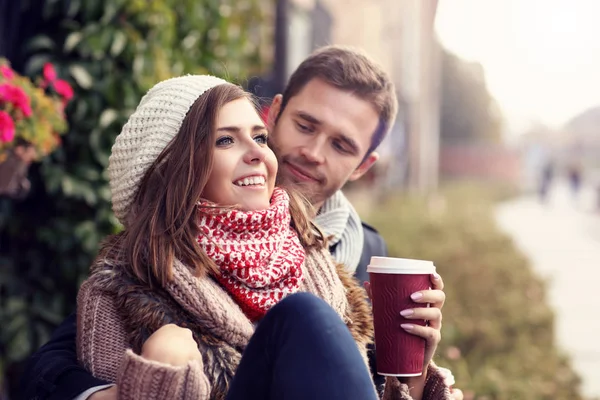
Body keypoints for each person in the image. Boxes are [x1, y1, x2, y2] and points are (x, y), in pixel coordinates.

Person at [22, 45, 460, 399]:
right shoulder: (143, 260)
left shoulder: (361, 254)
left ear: (364, 166)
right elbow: (56, 364)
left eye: (342, 146)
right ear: (276, 113)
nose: (313, 152)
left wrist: (417, 369)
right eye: (305, 126)